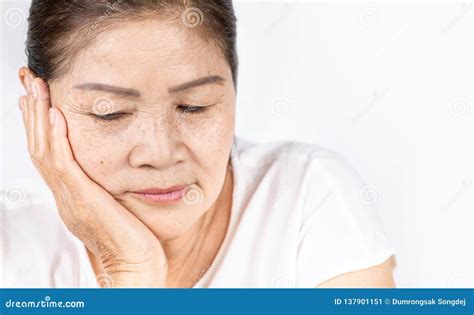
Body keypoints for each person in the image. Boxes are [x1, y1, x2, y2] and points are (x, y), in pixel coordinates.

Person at [3, 0, 396, 288]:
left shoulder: (306, 198)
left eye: (194, 107)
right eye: (111, 112)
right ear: (38, 101)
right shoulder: (11, 245)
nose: (159, 153)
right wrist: (130, 270)